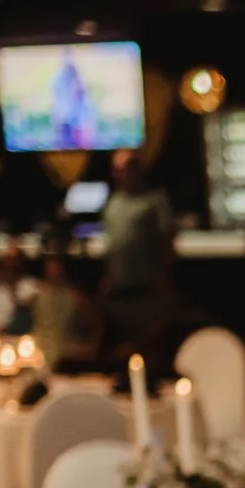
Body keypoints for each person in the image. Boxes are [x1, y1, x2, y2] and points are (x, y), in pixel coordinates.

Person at [100, 151, 176, 359]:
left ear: (137, 169)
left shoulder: (155, 200)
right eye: (116, 169)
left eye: (124, 168)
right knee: (121, 351)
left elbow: (166, 243)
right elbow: (112, 244)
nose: (119, 174)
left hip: (146, 290)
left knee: (149, 348)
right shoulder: (114, 201)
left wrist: (164, 282)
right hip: (118, 291)